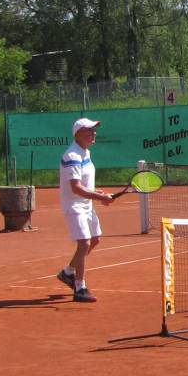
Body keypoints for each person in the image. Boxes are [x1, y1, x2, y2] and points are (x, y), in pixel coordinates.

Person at [54, 118, 122, 303]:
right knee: (84, 244)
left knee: (95, 240)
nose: (94, 133)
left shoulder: (85, 152)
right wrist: (101, 198)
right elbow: (76, 188)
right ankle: (80, 288)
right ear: (78, 134)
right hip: (74, 206)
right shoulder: (72, 156)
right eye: (90, 130)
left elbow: (84, 184)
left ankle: (68, 272)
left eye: (94, 130)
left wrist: (97, 192)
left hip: (86, 204)